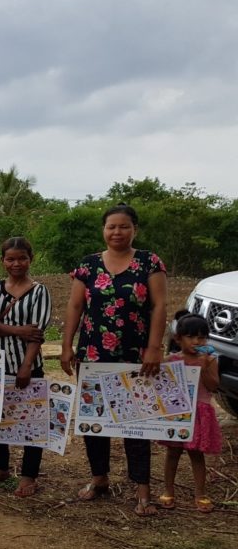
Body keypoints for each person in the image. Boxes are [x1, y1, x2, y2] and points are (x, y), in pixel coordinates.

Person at [61, 204, 167, 516]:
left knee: (137, 420)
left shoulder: (149, 262)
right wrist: (67, 346)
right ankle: (99, 478)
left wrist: (154, 347)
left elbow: (159, 307)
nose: (117, 232)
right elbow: (74, 306)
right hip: (93, 354)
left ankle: (142, 487)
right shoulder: (88, 265)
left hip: (135, 355)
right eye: (111, 227)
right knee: (95, 420)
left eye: (123, 226)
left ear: (134, 229)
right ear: (103, 230)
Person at [0, 237, 51, 497]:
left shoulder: (40, 291)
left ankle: (29, 475)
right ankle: (1, 466)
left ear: (31, 259)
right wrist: (18, 330)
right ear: (2, 261)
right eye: (10, 259)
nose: (16, 263)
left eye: (22, 258)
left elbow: (37, 333)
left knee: (31, 420)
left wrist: (26, 365)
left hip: (25, 366)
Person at [157, 312, 220, 513]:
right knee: (173, 452)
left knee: (196, 454)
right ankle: (168, 490)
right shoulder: (171, 360)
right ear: (178, 338)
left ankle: (200, 494)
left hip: (199, 413)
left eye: (201, 337)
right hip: (177, 413)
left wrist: (205, 368)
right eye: (190, 337)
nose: (196, 341)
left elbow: (213, 386)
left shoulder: (210, 360)